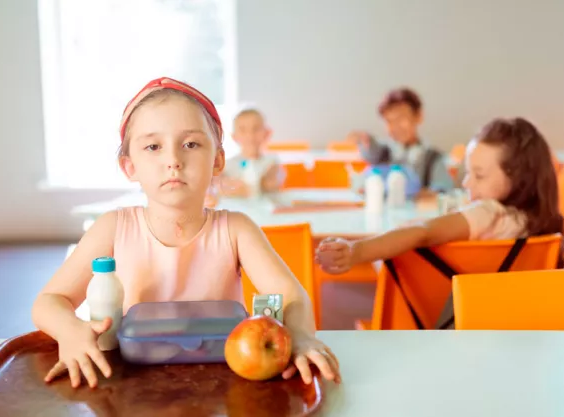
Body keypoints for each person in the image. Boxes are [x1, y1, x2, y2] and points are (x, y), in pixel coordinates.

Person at [32, 77, 340, 388]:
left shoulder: (236, 229)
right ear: (130, 167)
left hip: (222, 381)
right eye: (153, 146)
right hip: (134, 383)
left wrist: (299, 334)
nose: (173, 161)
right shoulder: (112, 228)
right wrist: (70, 331)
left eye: (191, 144)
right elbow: (50, 300)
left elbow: (292, 296)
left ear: (218, 159)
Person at [317, 117, 564, 274]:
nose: (467, 183)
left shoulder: (487, 212)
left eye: (479, 175)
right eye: (468, 172)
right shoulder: (539, 221)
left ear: (519, 179)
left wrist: (355, 251)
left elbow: (423, 232)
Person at [347, 87, 454, 193]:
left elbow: (444, 190)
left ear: (418, 116)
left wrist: (428, 194)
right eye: (389, 121)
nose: (395, 127)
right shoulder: (383, 152)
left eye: (401, 118)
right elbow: (370, 151)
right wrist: (365, 141)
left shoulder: (433, 159)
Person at [220, 108, 283, 197]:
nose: (250, 135)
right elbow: (221, 188)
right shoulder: (228, 165)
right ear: (234, 137)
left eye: (256, 129)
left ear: (267, 133)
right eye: (243, 130)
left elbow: (271, 185)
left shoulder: (271, 162)